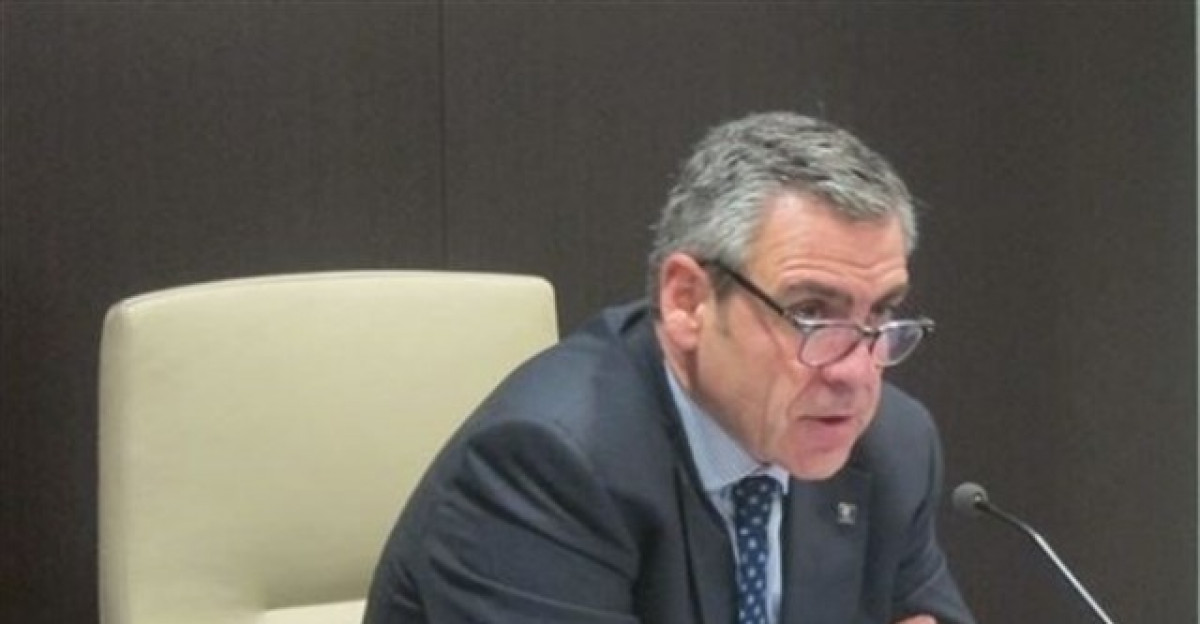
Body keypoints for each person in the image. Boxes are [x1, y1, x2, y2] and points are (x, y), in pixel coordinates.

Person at [363, 112, 976, 624]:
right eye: (812, 313)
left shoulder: (889, 444)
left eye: (882, 313)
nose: (856, 374)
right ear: (688, 301)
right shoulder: (545, 467)